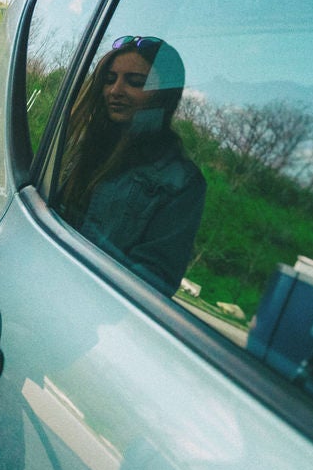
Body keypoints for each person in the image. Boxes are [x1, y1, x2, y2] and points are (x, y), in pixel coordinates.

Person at [54, 34, 207, 295]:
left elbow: (154, 279)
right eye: (110, 79)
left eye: (135, 82)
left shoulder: (179, 181)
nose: (115, 91)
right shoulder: (84, 143)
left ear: (164, 95)